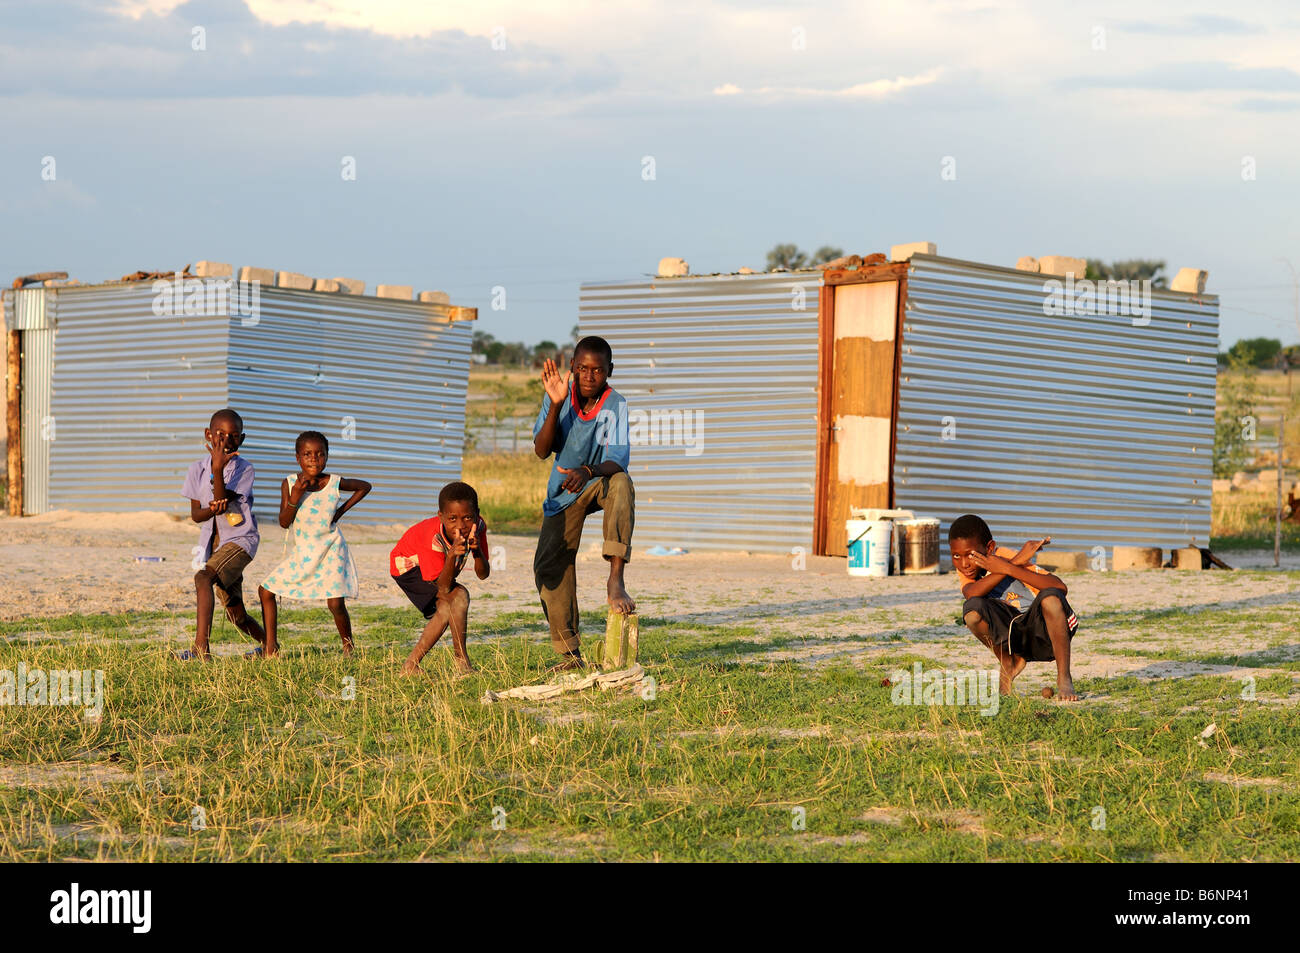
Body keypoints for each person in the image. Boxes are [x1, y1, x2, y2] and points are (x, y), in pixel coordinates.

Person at [532, 335, 634, 671]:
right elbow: (542, 450)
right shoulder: (558, 396)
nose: (590, 376)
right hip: (563, 490)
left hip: (597, 481)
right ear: (573, 367)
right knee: (549, 567)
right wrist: (557, 404)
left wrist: (589, 470)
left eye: (598, 370)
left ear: (610, 372)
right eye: (583, 369)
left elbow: (618, 460)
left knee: (621, 483)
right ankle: (571, 654)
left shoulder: (615, 404)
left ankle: (615, 578)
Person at [257, 431, 370, 656]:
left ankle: (349, 647)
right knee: (266, 591)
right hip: (304, 553)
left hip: (332, 549)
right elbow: (283, 522)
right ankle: (271, 647)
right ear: (298, 458)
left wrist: (339, 512)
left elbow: (365, 486)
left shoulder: (334, 482)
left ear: (327, 456)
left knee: (335, 604)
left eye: (320, 454)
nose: (314, 459)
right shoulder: (289, 483)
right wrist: (296, 496)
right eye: (307, 454)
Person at [949, 514, 1079, 700]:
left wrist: (1010, 566)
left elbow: (1059, 587)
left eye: (971, 555)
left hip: (1044, 631)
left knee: (1051, 598)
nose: (964, 564)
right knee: (972, 611)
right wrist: (1015, 561)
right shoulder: (969, 569)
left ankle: (1064, 678)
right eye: (956, 556)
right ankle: (1008, 662)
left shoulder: (1003, 556)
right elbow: (971, 593)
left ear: (989, 548)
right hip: (1013, 637)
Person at [179, 408, 265, 660]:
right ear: (208, 435)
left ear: (242, 439)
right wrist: (212, 507)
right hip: (214, 545)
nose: (226, 441)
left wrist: (218, 469)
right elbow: (197, 515)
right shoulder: (196, 469)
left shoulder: (245, 469)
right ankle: (270, 646)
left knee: (203, 578)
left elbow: (222, 501)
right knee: (235, 614)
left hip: (240, 541)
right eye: (220, 434)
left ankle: (200, 650)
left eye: (234, 435)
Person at [390, 481, 490, 675]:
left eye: (468, 517)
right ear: (441, 516)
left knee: (447, 608)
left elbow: (483, 574)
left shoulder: (479, 527)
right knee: (457, 596)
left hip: (437, 570)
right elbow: (443, 587)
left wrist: (477, 552)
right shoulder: (433, 536)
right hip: (407, 567)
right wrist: (452, 555)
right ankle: (462, 662)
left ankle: (410, 666)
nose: (460, 525)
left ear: (477, 513)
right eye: (452, 518)